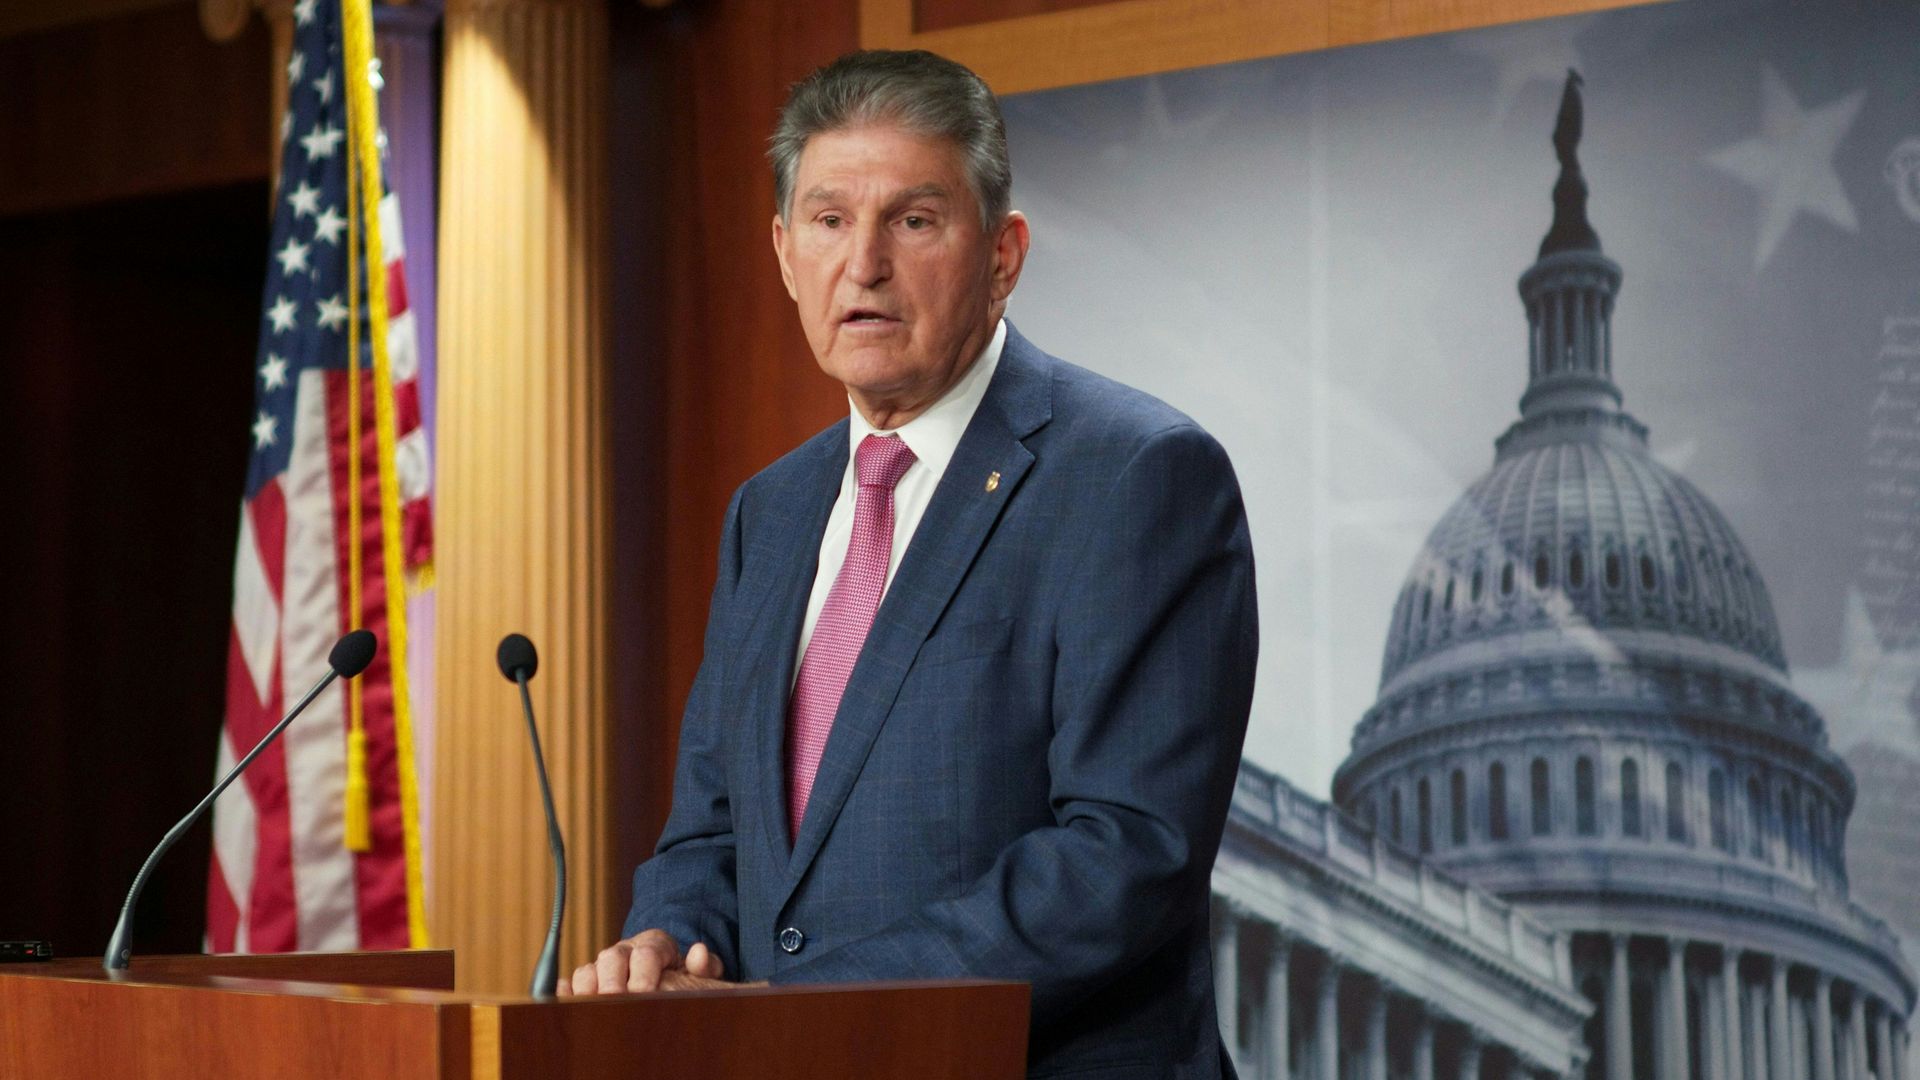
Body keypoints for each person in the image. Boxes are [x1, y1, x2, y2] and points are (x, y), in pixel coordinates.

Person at [563, 48, 1259, 1078]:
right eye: (828, 220)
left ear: (1003, 255)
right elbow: (712, 832)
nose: (865, 264)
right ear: (785, 253)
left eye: (915, 220)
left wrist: (794, 1014)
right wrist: (667, 942)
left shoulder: (1139, 475)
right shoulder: (771, 512)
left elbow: (1123, 857)